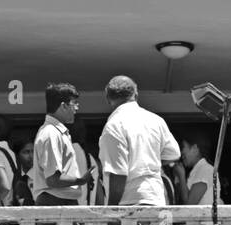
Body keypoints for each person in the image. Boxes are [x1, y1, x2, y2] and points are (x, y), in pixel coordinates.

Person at [99, 76, 181, 207]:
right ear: (136, 94)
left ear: (108, 99)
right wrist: (148, 161)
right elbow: (174, 154)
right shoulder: (156, 120)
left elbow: (118, 173)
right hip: (158, 200)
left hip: (130, 204)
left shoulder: (114, 125)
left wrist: (112, 210)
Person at [31, 84, 94, 206]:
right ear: (63, 106)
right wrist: (81, 180)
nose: (77, 108)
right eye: (74, 103)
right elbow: (53, 179)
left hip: (60, 201)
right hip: (54, 202)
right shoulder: (51, 133)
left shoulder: (56, 132)